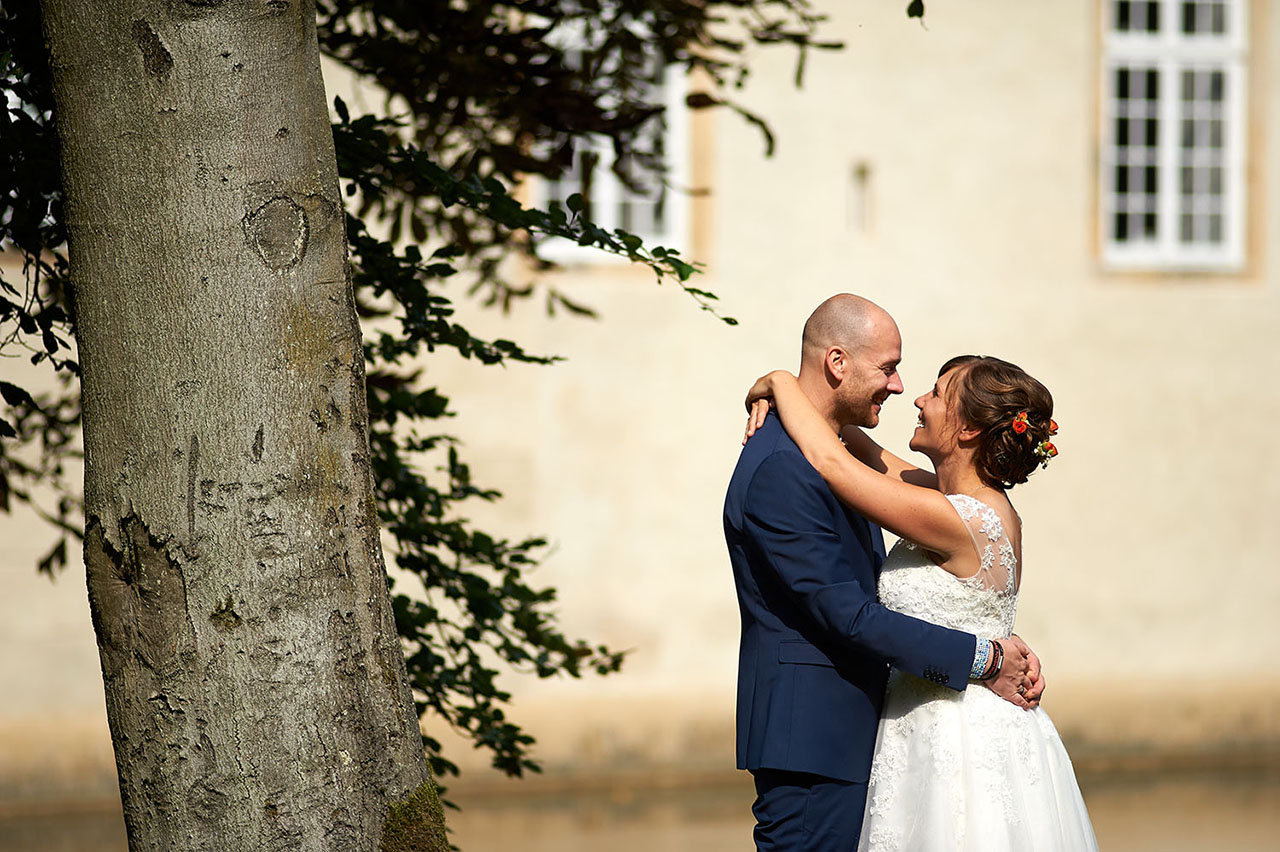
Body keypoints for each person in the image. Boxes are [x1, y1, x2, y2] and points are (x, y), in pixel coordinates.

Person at [723, 294, 1045, 851]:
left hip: (928, 734)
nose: (907, 391)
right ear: (838, 362)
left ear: (968, 430)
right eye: (891, 368)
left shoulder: (944, 508)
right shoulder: (789, 467)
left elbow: (835, 462)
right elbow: (848, 608)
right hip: (821, 738)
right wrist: (985, 652)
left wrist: (780, 381)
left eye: (935, 393)